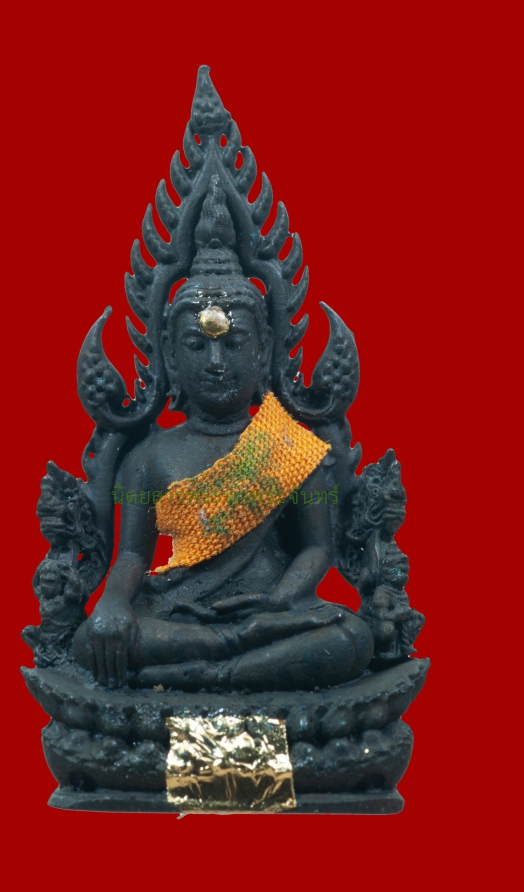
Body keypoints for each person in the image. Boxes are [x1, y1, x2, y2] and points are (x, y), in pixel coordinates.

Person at [74, 183, 373, 691]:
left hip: (272, 611)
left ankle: (204, 671)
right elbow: (132, 557)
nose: (216, 363)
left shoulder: (291, 447)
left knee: (352, 637)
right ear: (170, 353)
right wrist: (114, 603)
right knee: (90, 641)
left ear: (265, 349)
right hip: (178, 610)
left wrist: (281, 602)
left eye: (234, 343)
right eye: (197, 345)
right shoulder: (149, 457)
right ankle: (227, 658)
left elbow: (317, 548)